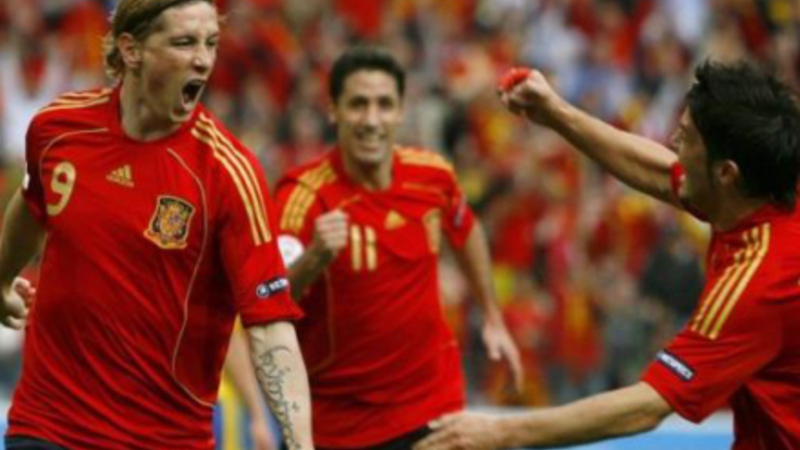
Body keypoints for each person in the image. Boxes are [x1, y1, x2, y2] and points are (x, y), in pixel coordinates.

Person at [414, 61, 800, 450]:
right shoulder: (759, 190)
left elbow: (648, 406)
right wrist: (555, 112)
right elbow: (659, 172)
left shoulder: (761, 281)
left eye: (685, 139)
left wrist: (499, 433)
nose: (672, 144)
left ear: (726, 173)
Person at [0, 1, 313, 449]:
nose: (203, 60)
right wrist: (1, 279)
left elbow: (270, 324)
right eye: (184, 43)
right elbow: (32, 202)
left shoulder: (227, 172)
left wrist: (300, 442)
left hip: (161, 437)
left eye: (211, 43)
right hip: (49, 426)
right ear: (132, 50)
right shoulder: (58, 128)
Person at [273, 46, 523, 450]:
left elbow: (466, 230)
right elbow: (269, 301)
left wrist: (492, 316)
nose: (372, 120)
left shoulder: (432, 176)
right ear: (334, 111)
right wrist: (313, 258)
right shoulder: (301, 197)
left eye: (384, 105)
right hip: (337, 427)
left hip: (431, 409)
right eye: (358, 104)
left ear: (401, 112)